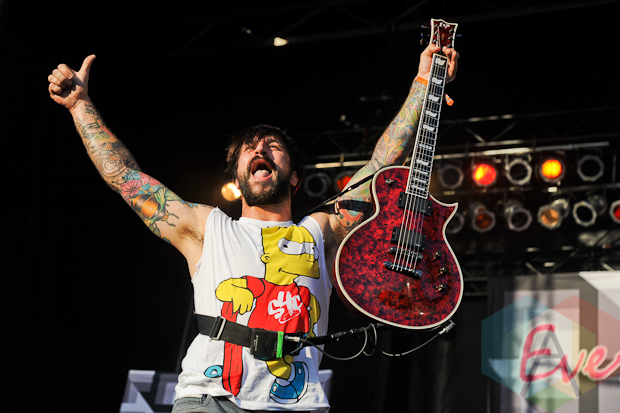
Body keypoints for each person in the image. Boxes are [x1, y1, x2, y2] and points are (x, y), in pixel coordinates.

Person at [48, 43, 459, 412]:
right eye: (250, 148)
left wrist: (424, 83)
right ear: (238, 175)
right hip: (209, 399)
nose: (260, 148)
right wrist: (80, 106)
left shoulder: (320, 230)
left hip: (296, 404)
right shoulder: (207, 227)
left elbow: (382, 164)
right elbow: (126, 178)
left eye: (272, 146)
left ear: (294, 178)